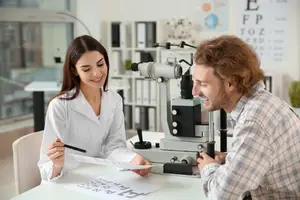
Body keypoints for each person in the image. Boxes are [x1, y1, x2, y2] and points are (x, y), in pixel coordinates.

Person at [193, 35, 300, 199]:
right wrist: (230, 158)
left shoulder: (254, 122)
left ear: (231, 82)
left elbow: (222, 196)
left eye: (203, 84)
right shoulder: (264, 102)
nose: (195, 92)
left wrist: (208, 168)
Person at [37, 35, 150, 181]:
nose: (97, 73)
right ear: (75, 71)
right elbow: (45, 167)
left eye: (100, 64)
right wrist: (57, 165)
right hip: (68, 179)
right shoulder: (59, 106)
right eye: (86, 69)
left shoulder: (114, 100)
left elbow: (114, 146)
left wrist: (133, 159)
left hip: (101, 177)